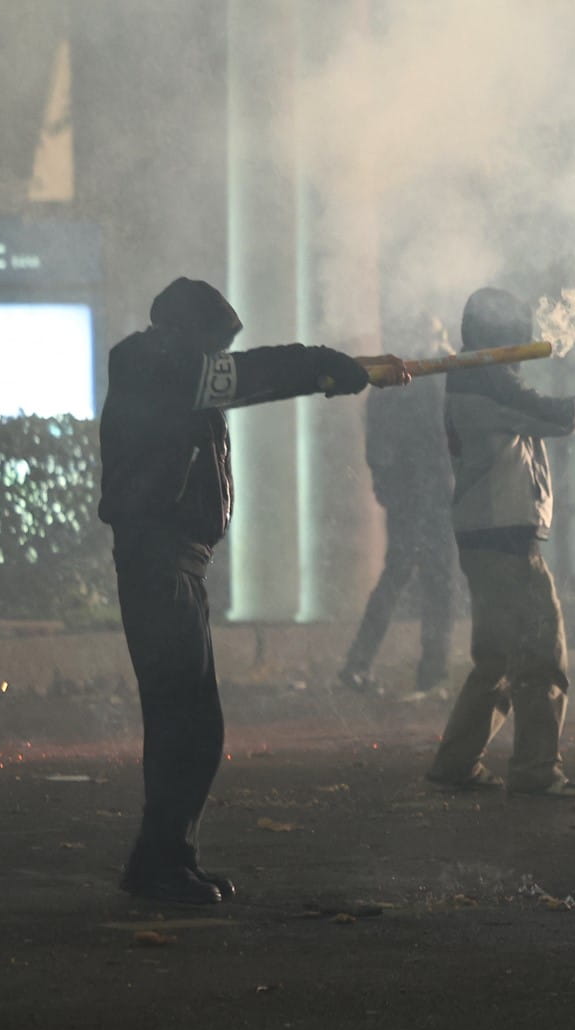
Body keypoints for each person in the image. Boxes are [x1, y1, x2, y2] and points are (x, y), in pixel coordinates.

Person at [99, 277, 390, 905]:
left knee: (190, 722)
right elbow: (253, 375)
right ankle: (160, 865)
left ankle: (165, 859)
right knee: (186, 722)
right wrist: (319, 366)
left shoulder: (173, 372)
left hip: (178, 563)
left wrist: (328, 372)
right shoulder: (153, 366)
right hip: (159, 561)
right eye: (215, 341)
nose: (221, 356)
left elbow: (244, 379)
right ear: (187, 331)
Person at [426, 287, 575, 798]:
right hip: (504, 537)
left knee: (499, 660)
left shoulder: (475, 379)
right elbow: (556, 416)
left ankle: (456, 762)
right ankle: (534, 771)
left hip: (485, 533)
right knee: (540, 655)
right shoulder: (487, 382)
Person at [337, 316, 457, 695]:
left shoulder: (391, 383)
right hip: (432, 492)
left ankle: (360, 663)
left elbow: (378, 438)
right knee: (437, 582)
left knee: (400, 575)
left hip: (414, 492)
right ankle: (431, 673)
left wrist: (384, 482)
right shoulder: (434, 380)